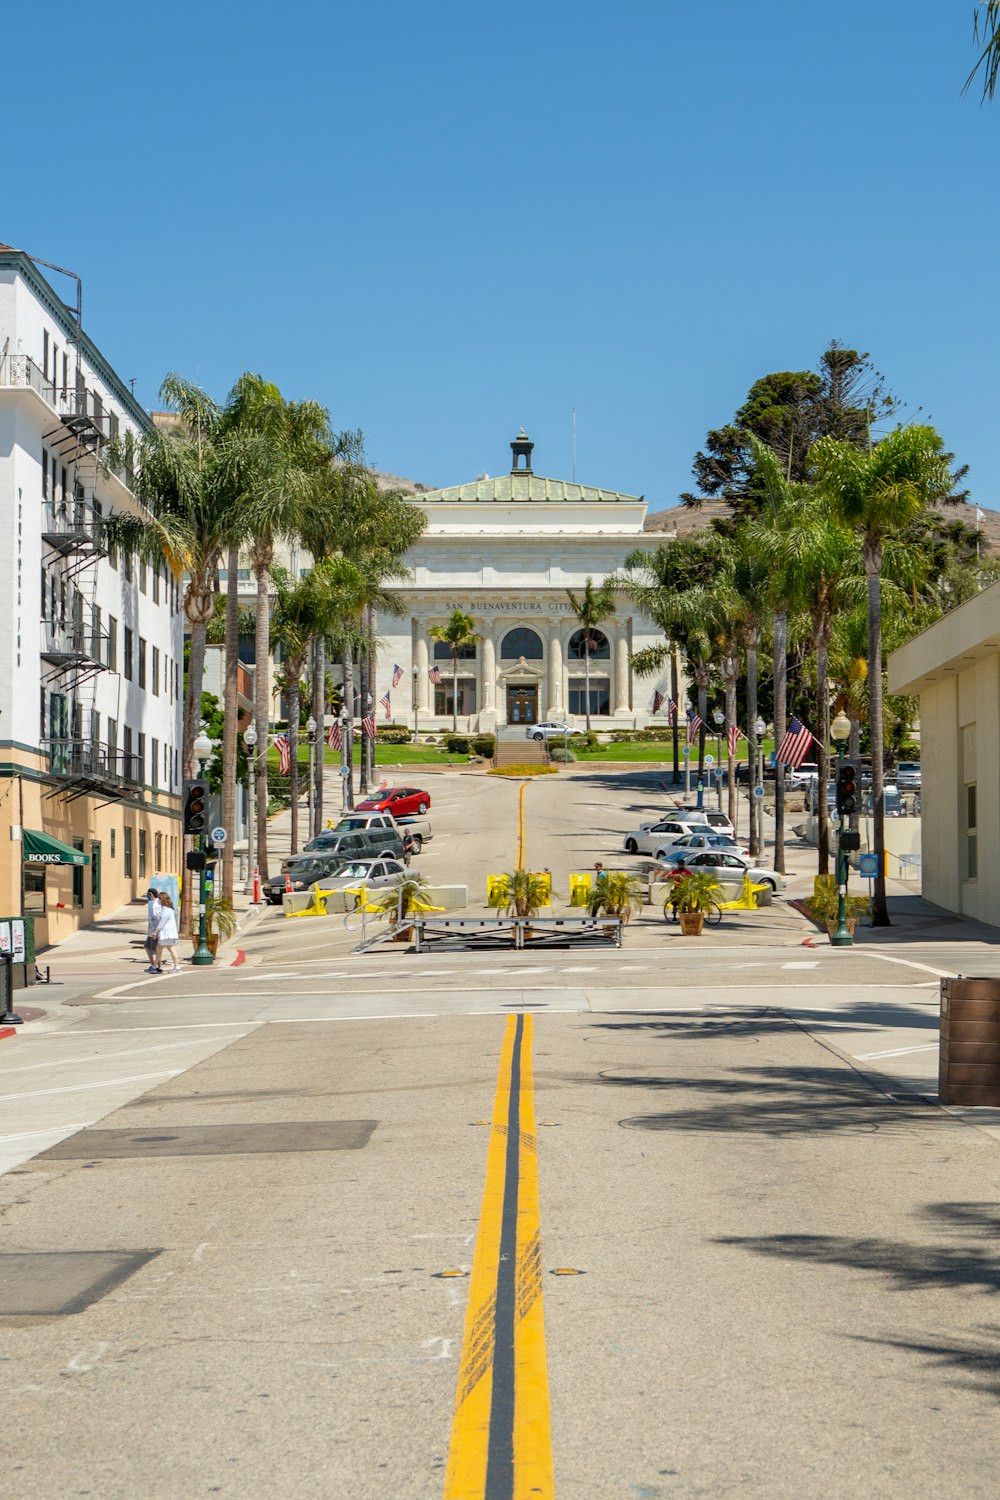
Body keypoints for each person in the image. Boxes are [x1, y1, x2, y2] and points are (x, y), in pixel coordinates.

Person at [154, 893, 181, 974]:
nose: (158, 900)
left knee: (171, 949)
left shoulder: (166, 910)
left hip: (167, 934)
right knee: (159, 949)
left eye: (159, 898)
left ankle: (177, 966)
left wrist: (156, 931)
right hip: (168, 933)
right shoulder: (168, 909)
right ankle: (154, 966)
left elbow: (162, 922)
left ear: (162, 899)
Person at [144, 888, 160, 967]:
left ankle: (156, 966)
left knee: (155, 950)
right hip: (151, 931)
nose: (148, 896)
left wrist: (155, 931)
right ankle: (153, 964)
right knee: (147, 947)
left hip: (154, 931)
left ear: (152, 894)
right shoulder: (154, 903)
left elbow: (156, 919)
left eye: (149, 895)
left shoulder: (155, 905)